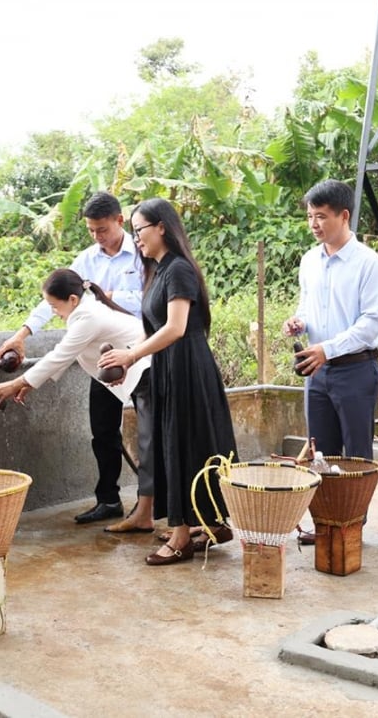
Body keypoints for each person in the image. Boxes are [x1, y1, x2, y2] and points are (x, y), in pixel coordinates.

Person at [99, 198, 238, 566]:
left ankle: (181, 537)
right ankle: (211, 524)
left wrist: (131, 356)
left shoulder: (178, 270)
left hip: (188, 367)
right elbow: (153, 329)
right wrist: (129, 360)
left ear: (162, 227)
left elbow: (175, 328)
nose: (136, 238)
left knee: (184, 445)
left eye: (140, 230)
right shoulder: (158, 271)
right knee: (180, 444)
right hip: (168, 367)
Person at [0, 192, 144, 525]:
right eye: (91, 230)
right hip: (102, 362)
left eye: (102, 229)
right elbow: (53, 299)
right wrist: (21, 335)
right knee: (103, 432)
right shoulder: (86, 260)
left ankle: (147, 505)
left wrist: (109, 296)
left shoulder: (142, 252)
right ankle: (109, 500)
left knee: (150, 432)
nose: (97, 236)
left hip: (139, 354)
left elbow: (153, 299)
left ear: (120, 221)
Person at [0, 268, 156, 533]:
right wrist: (27, 381)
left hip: (144, 369)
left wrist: (17, 383)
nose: (54, 312)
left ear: (72, 299)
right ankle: (110, 501)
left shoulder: (88, 316)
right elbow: (65, 355)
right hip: (107, 374)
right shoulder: (82, 309)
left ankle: (148, 512)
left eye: (55, 306)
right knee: (104, 434)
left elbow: (60, 354)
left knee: (150, 444)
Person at [283, 180, 378, 544]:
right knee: (320, 451)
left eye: (321, 216)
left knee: (357, 454)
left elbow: (370, 323)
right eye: (310, 216)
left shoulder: (369, 264)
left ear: (344, 216)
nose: (314, 224)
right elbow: (306, 307)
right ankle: (326, 522)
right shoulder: (309, 260)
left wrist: (328, 349)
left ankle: (352, 525)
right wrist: (298, 322)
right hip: (317, 370)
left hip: (356, 368)